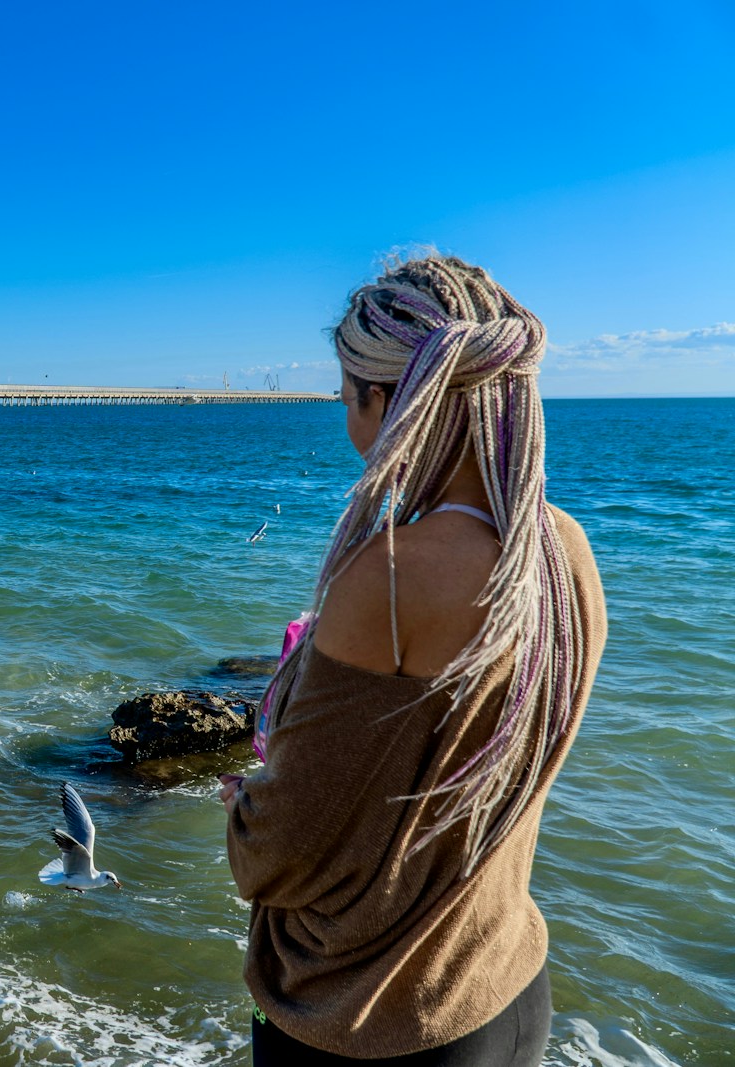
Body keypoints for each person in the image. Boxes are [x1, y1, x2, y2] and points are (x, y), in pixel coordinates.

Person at [221, 253, 607, 1064]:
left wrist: (243, 812)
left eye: (346, 398)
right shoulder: (563, 549)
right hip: (502, 985)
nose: (350, 426)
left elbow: (282, 853)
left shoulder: (390, 578)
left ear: (389, 401)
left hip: (366, 1020)